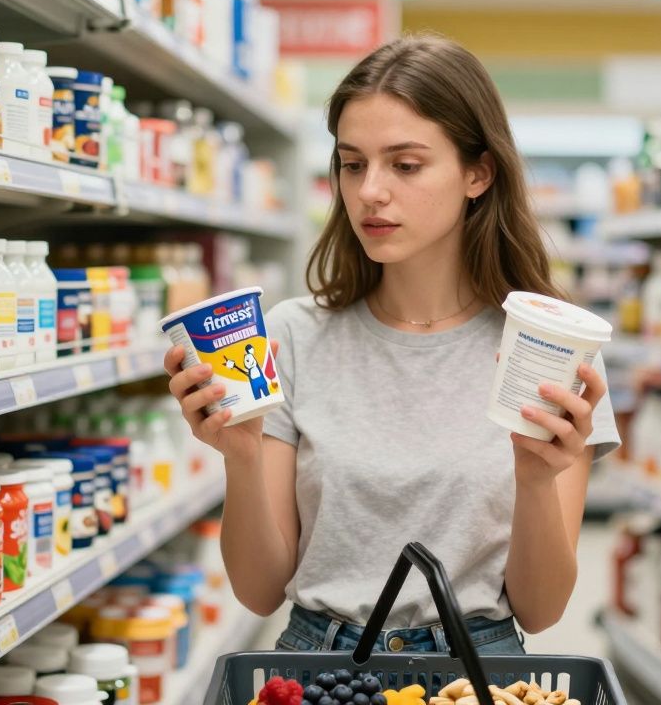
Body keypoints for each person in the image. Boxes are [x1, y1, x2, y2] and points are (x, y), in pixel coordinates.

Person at [164, 34, 620, 654]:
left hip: (476, 674)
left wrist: (537, 482)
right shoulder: (292, 335)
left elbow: (540, 611)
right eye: (353, 164)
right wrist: (240, 458)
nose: (370, 191)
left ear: (478, 172)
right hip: (317, 669)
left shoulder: (551, 350)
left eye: (405, 165)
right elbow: (259, 590)